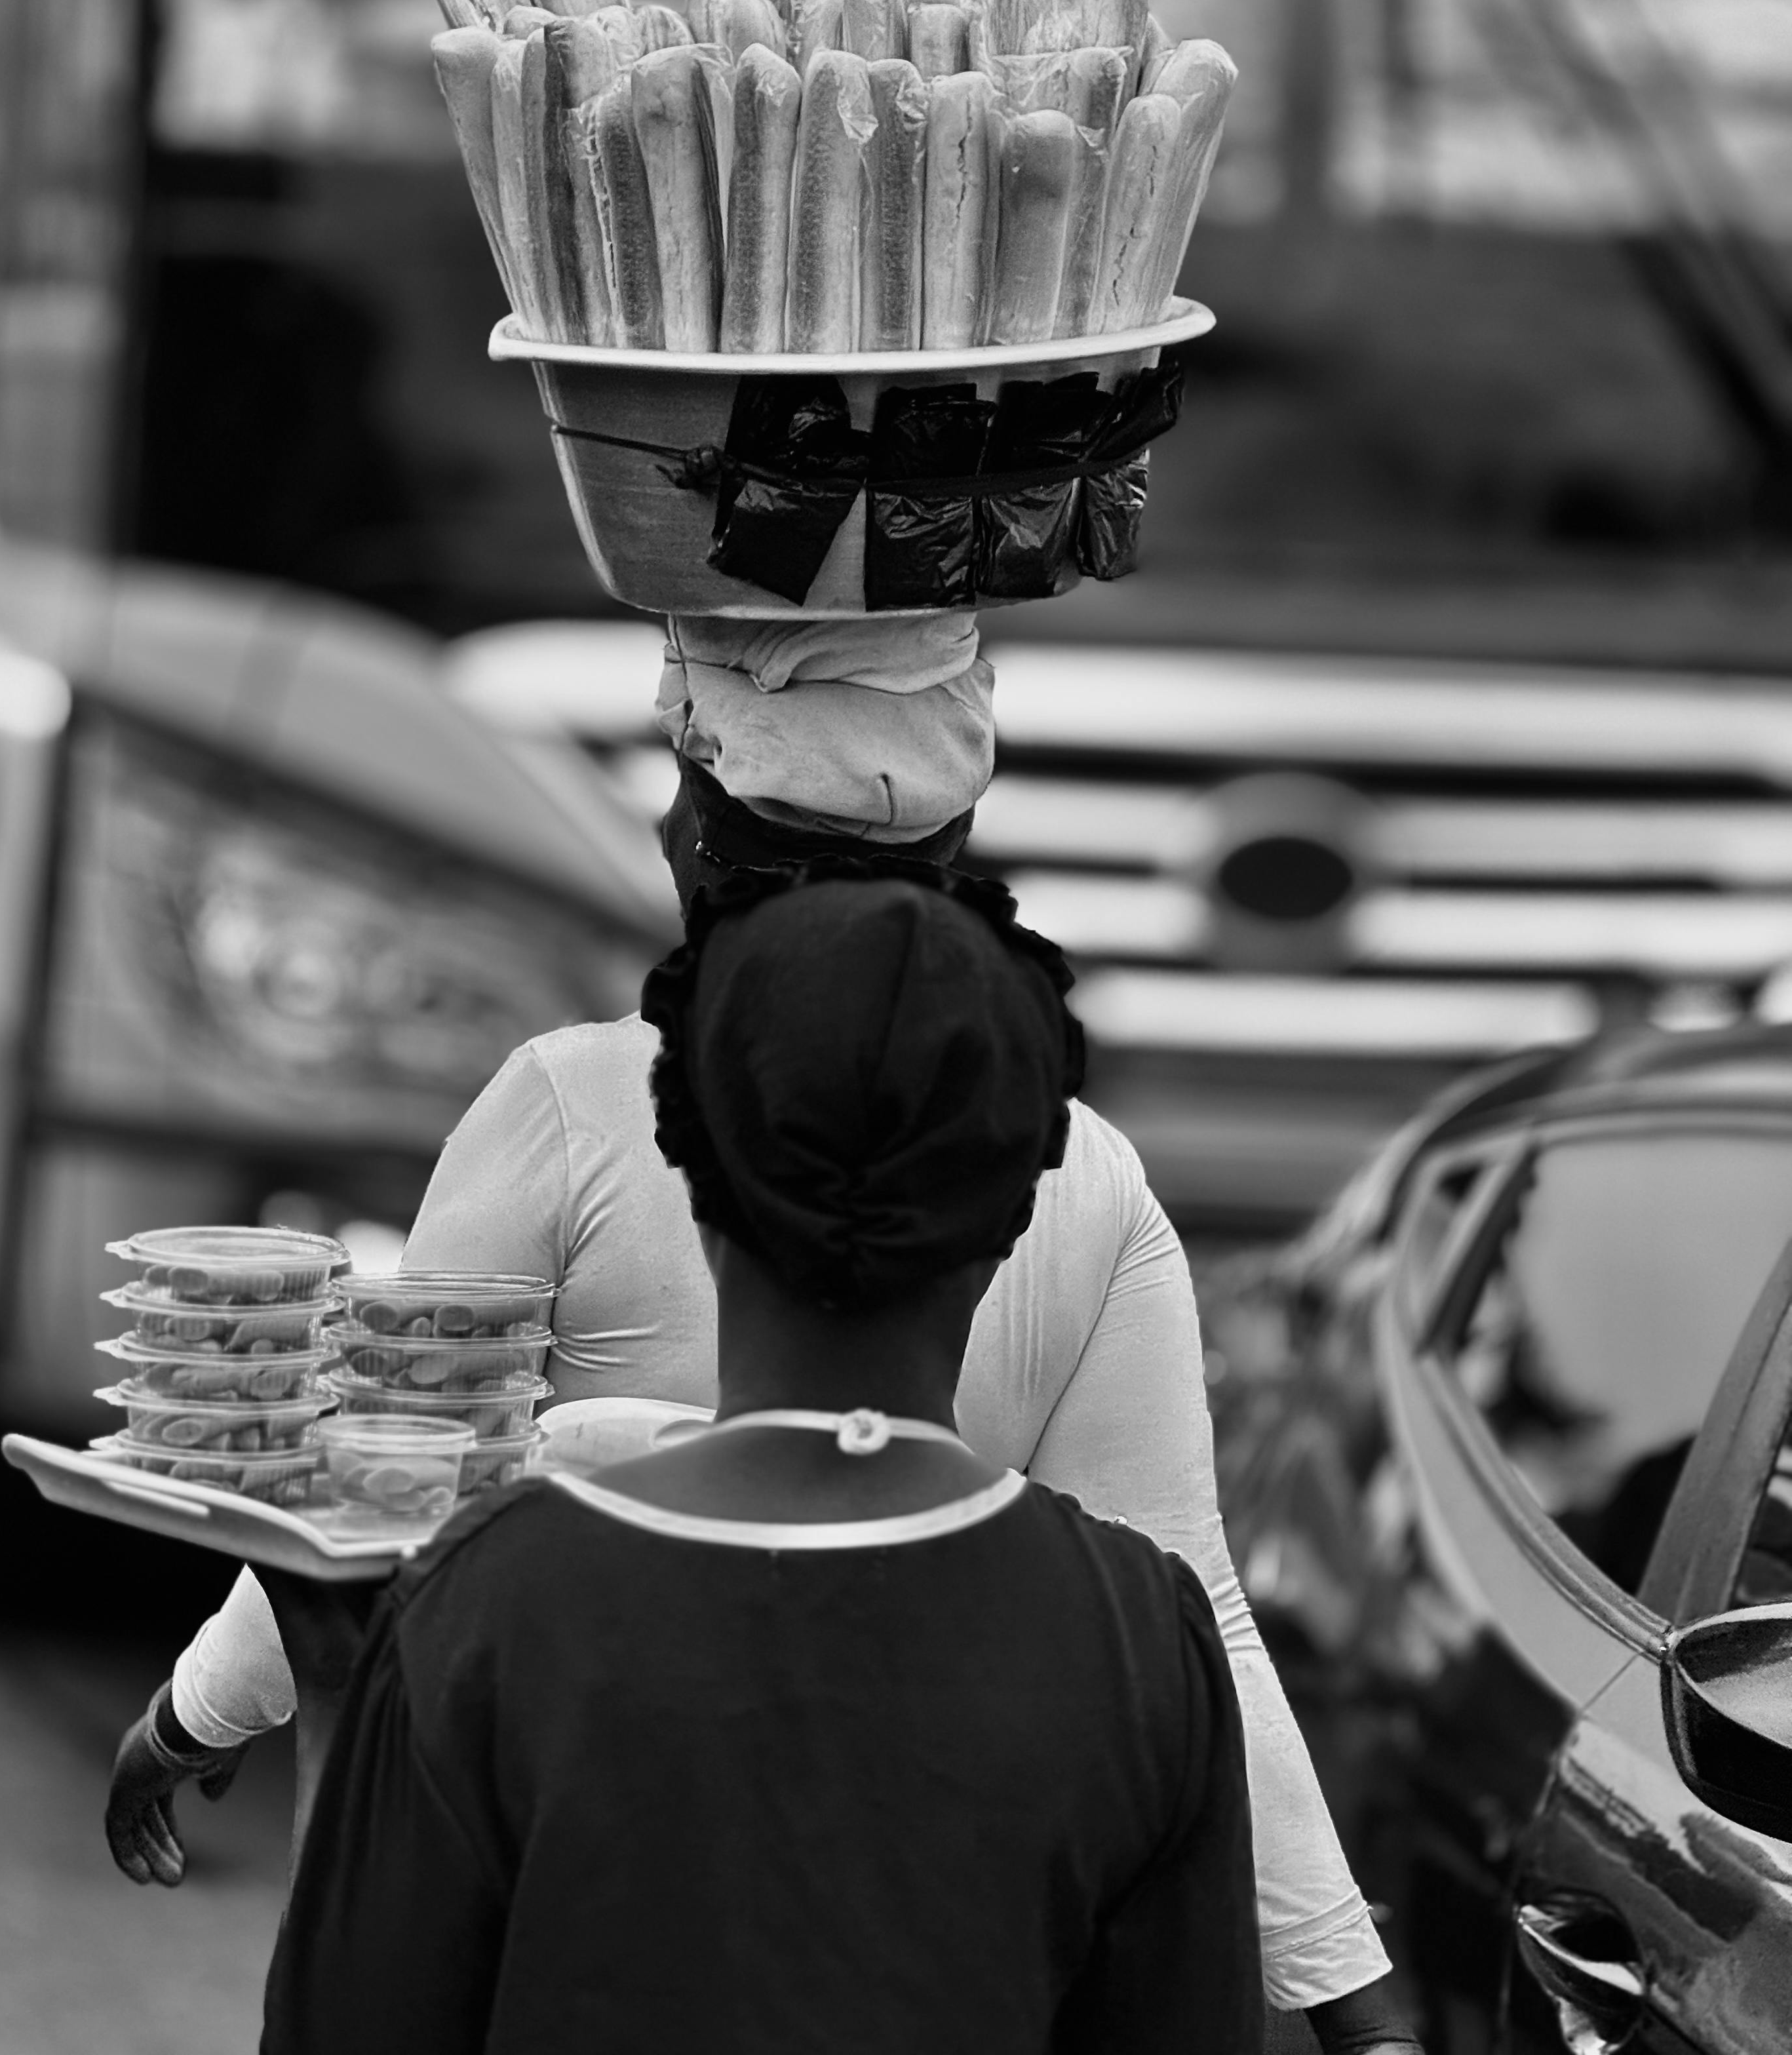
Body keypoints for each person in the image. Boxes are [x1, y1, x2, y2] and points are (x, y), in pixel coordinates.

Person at [108, 618, 1415, 2048]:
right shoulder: (1079, 1179)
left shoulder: (572, 1149)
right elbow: (1196, 1587)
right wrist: (1361, 2001)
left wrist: (211, 1705)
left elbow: (389, 1463)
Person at [262, 867, 1266, 2055]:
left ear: (691, 1184)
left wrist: (338, 1691)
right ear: (1018, 1208)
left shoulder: (495, 1603)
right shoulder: (1143, 1640)